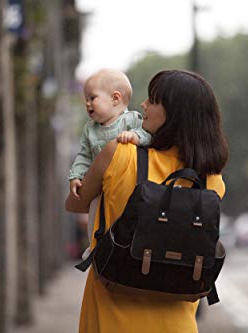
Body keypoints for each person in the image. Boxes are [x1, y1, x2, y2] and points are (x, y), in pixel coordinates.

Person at [66, 69, 229, 333]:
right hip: (178, 323)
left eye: (152, 100)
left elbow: (74, 204)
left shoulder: (119, 155)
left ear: (173, 113)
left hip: (112, 313)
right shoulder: (211, 180)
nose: (143, 105)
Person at [68, 68, 151, 256]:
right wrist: (76, 176)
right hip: (100, 186)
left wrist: (134, 136)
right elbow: (84, 155)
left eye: (92, 98)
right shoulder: (90, 129)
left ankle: (127, 245)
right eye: (86, 99)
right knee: (95, 212)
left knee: (125, 216)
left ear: (115, 99)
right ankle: (94, 246)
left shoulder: (131, 120)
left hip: (125, 185)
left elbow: (148, 136)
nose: (87, 103)